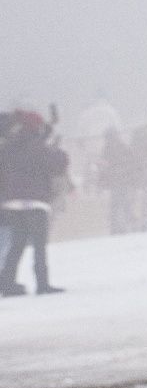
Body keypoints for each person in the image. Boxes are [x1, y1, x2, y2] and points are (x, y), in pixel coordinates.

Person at [0, 110, 71, 296]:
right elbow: (57, 165)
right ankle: (42, 283)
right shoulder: (38, 146)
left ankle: (7, 283)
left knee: (17, 244)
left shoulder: (8, 146)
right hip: (35, 202)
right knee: (39, 245)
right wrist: (58, 151)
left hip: (12, 203)